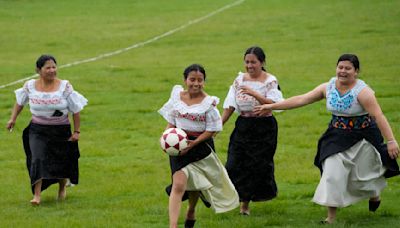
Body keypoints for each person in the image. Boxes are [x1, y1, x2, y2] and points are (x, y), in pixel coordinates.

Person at [254, 54, 400, 224]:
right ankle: (330, 218)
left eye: (348, 68)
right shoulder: (328, 87)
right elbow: (302, 99)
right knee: (331, 174)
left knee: (364, 176)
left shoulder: (363, 92)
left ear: (356, 71)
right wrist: (271, 106)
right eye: (340, 67)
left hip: (364, 137)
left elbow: (378, 115)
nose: (343, 71)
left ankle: (374, 194)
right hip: (336, 137)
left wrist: (391, 141)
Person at [158, 64, 239, 228]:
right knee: (179, 184)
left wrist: (194, 142)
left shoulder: (209, 104)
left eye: (200, 80)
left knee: (196, 182)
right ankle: (172, 226)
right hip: (179, 146)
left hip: (200, 147)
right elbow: (171, 122)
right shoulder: (177, 97)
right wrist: (165, 138)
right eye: (192, 79)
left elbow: (212, 130)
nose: (196, 83)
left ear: (204, 82)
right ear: (185, 80)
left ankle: (191, 210)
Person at [6, 54, 88, 205]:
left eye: (54, 67)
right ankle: (37, 196)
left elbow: (75, 110)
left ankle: (62, 188)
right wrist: (13, 119)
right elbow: (20, 102)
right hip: (37, 130)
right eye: (48, 67)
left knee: (62, 160)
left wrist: (76, 132)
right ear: (39, 70)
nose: (52, 70)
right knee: (37, 158)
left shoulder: (65, 86)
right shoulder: (30, 86)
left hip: (61, 129)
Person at [222, 46, 284, 215]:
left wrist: (254, 93)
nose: (249, 66)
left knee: (255, 166)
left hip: (264, 129)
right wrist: (218, 125)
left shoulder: (270, 81)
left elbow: (275, 103)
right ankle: (228, 199)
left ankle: (245, 206)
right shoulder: (239, 80)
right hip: (243, 126)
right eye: (247, 62)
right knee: (233, 164)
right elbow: (230, 104)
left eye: (253, 62)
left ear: (262, 62)